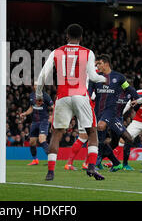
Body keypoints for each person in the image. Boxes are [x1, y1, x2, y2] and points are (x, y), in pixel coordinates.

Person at [35, 23, 107, 181]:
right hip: (81, 95)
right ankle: (91, 167)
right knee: (92, 132)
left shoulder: (57, 52)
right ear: (81, 37)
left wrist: (39, 93)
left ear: (66, 36)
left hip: (63, 96)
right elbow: (94, 78)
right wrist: (104, 78)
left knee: (57, 134)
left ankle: (51, 172)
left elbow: (42, 76)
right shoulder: (88, 53)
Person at [89, 54, 139, 172]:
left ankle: (102, 161)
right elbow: (88, 92)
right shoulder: (95, 78)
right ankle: (114, 163)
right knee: (101, 139)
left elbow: (129, 89)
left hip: (111, 112)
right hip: (98, 112)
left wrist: (137, 99)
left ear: (106, 63)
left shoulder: (119, 77)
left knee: (126, 138)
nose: (97, 66)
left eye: (99, 63)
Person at [20, 83, 53, 166]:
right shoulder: (31, 95)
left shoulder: (45, 96)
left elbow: (53, 106)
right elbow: (31, 108)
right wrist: (25, 113)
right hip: (34, 122)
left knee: (42, 139)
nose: (36, 86)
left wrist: (52, 117)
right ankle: (35, 160)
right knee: (32, 142)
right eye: (34, 85)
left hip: (44, 121)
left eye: (37, 85)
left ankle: (51, 160)